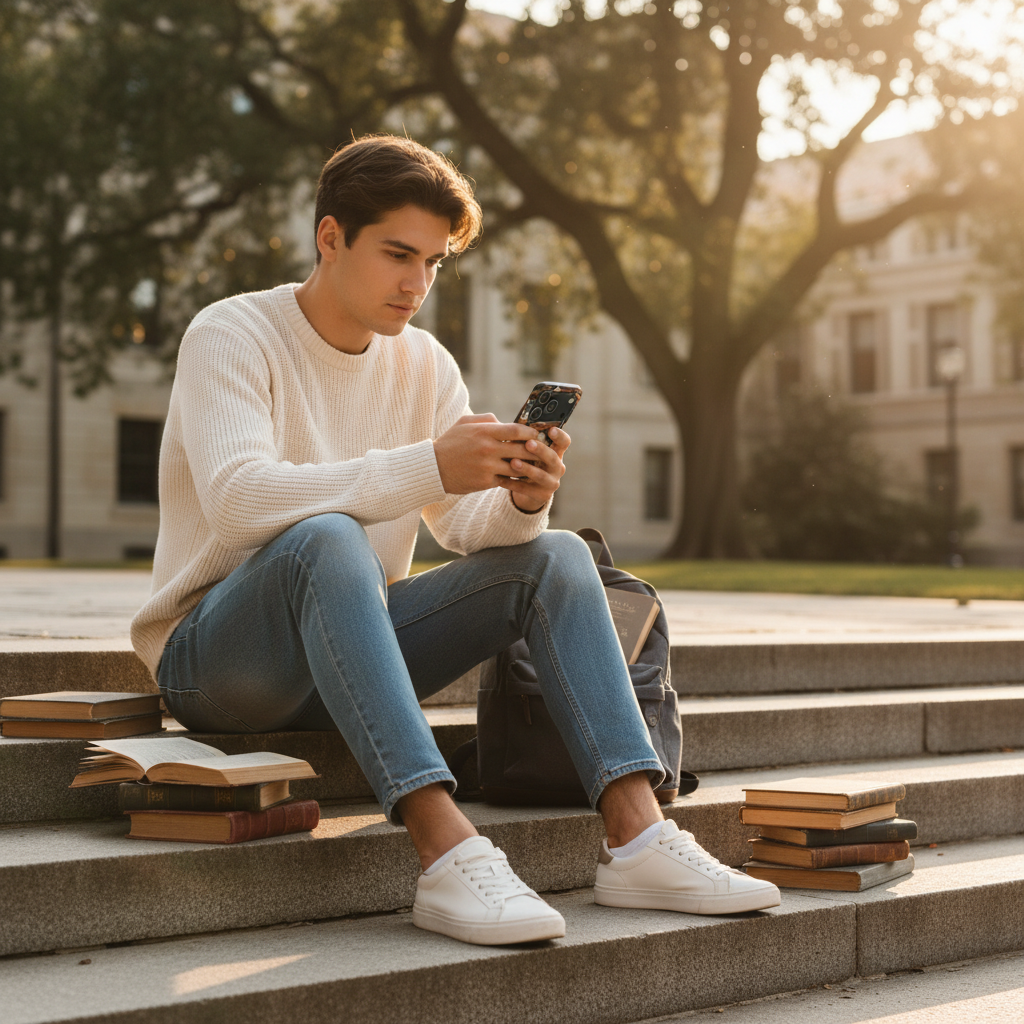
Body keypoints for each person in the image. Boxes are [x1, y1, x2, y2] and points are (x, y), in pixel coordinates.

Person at [131, 134, 779, 947]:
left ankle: (640, 838)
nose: (419, 284)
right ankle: (447, 851)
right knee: (331, 537)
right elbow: (237, 499)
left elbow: (467, 530)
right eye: (399, 254)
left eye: (435, 263)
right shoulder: (231, 333)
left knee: (558, 556)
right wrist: (427, 462)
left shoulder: (424, 364)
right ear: (330, 238)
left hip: (348, 653)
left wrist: (521, 499)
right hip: (218, 666)